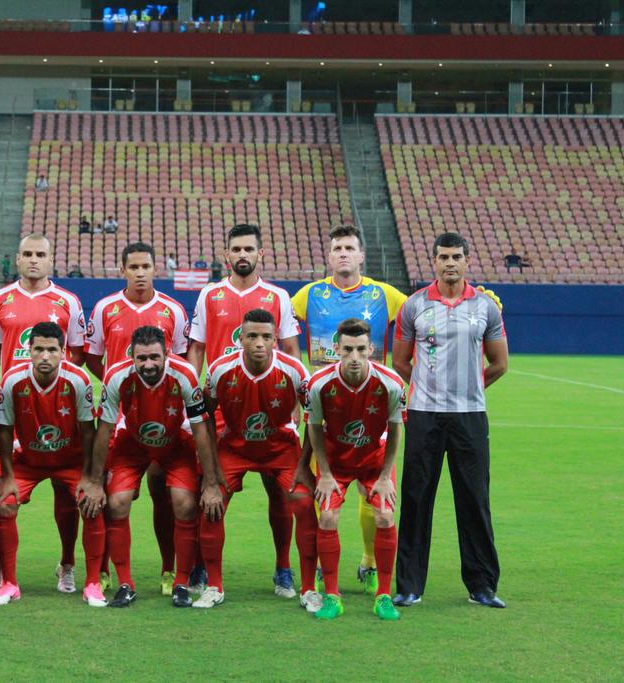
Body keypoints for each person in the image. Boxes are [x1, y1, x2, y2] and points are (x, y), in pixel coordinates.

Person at [290, 223, 500, 595]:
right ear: (329, 254)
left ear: (361, 254)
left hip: (374, 407)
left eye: (349, 248)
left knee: (375, 495)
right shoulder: (308, 295)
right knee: (316, 492)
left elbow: (430, 313)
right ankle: (320, 570)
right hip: (326, 407)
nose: (343, 254)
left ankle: (370, 563)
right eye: (337, 247)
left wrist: (481, 295)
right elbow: (276, 324)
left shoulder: (386, 295)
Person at [391, 232, 509, 609]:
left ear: (467, 260)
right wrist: (429, 389)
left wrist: (469, 388)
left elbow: (499, 364)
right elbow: (399, 361)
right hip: (424, 415)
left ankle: (482, 586)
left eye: (456, 256)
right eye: (443, 257)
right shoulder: (414, 306)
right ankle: (410, 586)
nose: (450, 263)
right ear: (434, 262)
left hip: (470, 417)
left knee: (474, 499)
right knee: (415, 497)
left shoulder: (487, 308)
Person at [187, 224, 303, 598]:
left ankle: (283, 568)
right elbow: (196, 350)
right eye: (236, 249)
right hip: (222, 405)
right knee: (211, 491)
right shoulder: (209, 295)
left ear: (260, 254)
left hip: (271, 407)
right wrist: (192, 398)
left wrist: (297, 406)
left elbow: (290, 351)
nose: (242, 255)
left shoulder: (277, 297)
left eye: (248, 249)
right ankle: (203, 568)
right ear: (226, 255)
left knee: (281, 492)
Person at [195, 309, 318, 610]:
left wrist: (304, 466)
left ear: (276, 339)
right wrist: (210, 477)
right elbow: (205, 415)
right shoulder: (220, 370)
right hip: (235, 448)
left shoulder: (295, 370)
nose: (259, 343)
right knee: (211, 504)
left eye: (266, 336)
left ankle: (300, 583)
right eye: (252, 336)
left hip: (281, 450)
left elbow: (316, 417)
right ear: (241, 339)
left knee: (302, 503)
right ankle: (213, 585)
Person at [85, 242, 189, 594]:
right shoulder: (104, 309)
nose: (140, 272)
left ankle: (168, 569)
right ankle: (102, 570)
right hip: (119, 419)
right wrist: (121, 390)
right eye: (134, 267)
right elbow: (94, 357)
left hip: (163, 417)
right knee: (109, 494)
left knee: (164, 492)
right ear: (123, 270)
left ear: (155, 269)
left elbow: (182, 361)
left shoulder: (173, 310)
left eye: (146, 266)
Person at [0, 233, 87, 595]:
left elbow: (75, 353)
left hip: (57, 410)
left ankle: (68, 564)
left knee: (68, 499)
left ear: (50, 260)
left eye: (40, 254)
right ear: (17, 259)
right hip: (15, 411)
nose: (33, 260)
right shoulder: (0, 299)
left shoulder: (68, 302)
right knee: (3, 495)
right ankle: (0, 568)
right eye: (27, 254)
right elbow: (0, 351)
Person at [96, 326, 221, 608]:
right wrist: (94, 480)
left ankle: (181, 583)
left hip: (176, 443)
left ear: (167, 353)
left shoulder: (185, 374)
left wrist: (211, 483)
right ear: (132, 357)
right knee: (116, 503)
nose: (148, 364)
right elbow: (104, 429)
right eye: (141, 358)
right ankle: (126, 584)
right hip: (133, 443)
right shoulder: (117, 376)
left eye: (154, 357)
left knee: (185, 504)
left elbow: (201, 430)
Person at [0, 322, 108, 608]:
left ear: (62, 352)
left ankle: (90, 583)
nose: (45, 356)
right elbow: (4, 430)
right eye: (38, 349)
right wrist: (6, 476)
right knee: (3, 504)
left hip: (70, 460)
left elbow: (88, 431)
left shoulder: (77, 380)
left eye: (52, 350)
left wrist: (91, 478)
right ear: (28, 351)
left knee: (90, 504)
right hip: (28, 460)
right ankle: (9, 583)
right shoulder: (12, 380)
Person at [302, 318, 406, 621]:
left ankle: (383, 596)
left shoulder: (391, 383)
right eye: (348, 349)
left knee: (386, 515)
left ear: (371, 349)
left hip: (374, 460)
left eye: (361, 349)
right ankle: (332, 596)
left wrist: (386, 477)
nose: (355, 357)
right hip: (335, 461)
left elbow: (397, 429)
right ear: (336, 349)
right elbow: (314, 429)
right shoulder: (319, 384)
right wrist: (324, 473)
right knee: (329, 517)